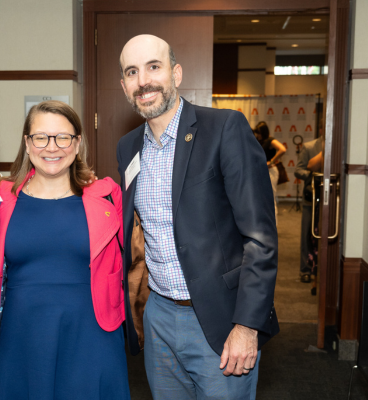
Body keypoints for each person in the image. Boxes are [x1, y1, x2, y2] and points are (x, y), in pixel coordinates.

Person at [116, 35, 279, 399]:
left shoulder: (224, 129)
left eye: (153, 67)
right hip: (158, 316)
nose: (143, 80)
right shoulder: (127, 147)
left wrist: (246, 326)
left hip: (220, 319)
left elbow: (261, 238)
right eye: (132, 71)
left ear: (175, 73)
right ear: (124, 85)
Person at [0, 101, 130, 399]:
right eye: (41, 137)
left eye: (63, 137)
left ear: (77, 143)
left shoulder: (106, 196)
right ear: (27, 144)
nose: (51, 147)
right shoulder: (1, 197)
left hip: (92, 334)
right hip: (21, 333)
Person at [294, 135, 324, 284]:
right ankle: (305, 270)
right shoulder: (310, 146)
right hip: (311, 199)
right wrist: (313, 176)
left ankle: (320, 269)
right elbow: (298, 170)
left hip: (329, 198)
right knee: (307, 234)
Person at [254, 121, 287, 221]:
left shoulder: (270, 140)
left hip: (270, 172)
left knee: (270, 198)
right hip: (261, 172)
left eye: (259, 133)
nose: (257, 135)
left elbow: (282, 149)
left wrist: (272, 161)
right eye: (256, 132)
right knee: (260, 199)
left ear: (263, 132)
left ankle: (273, 224)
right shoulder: (259, 140)